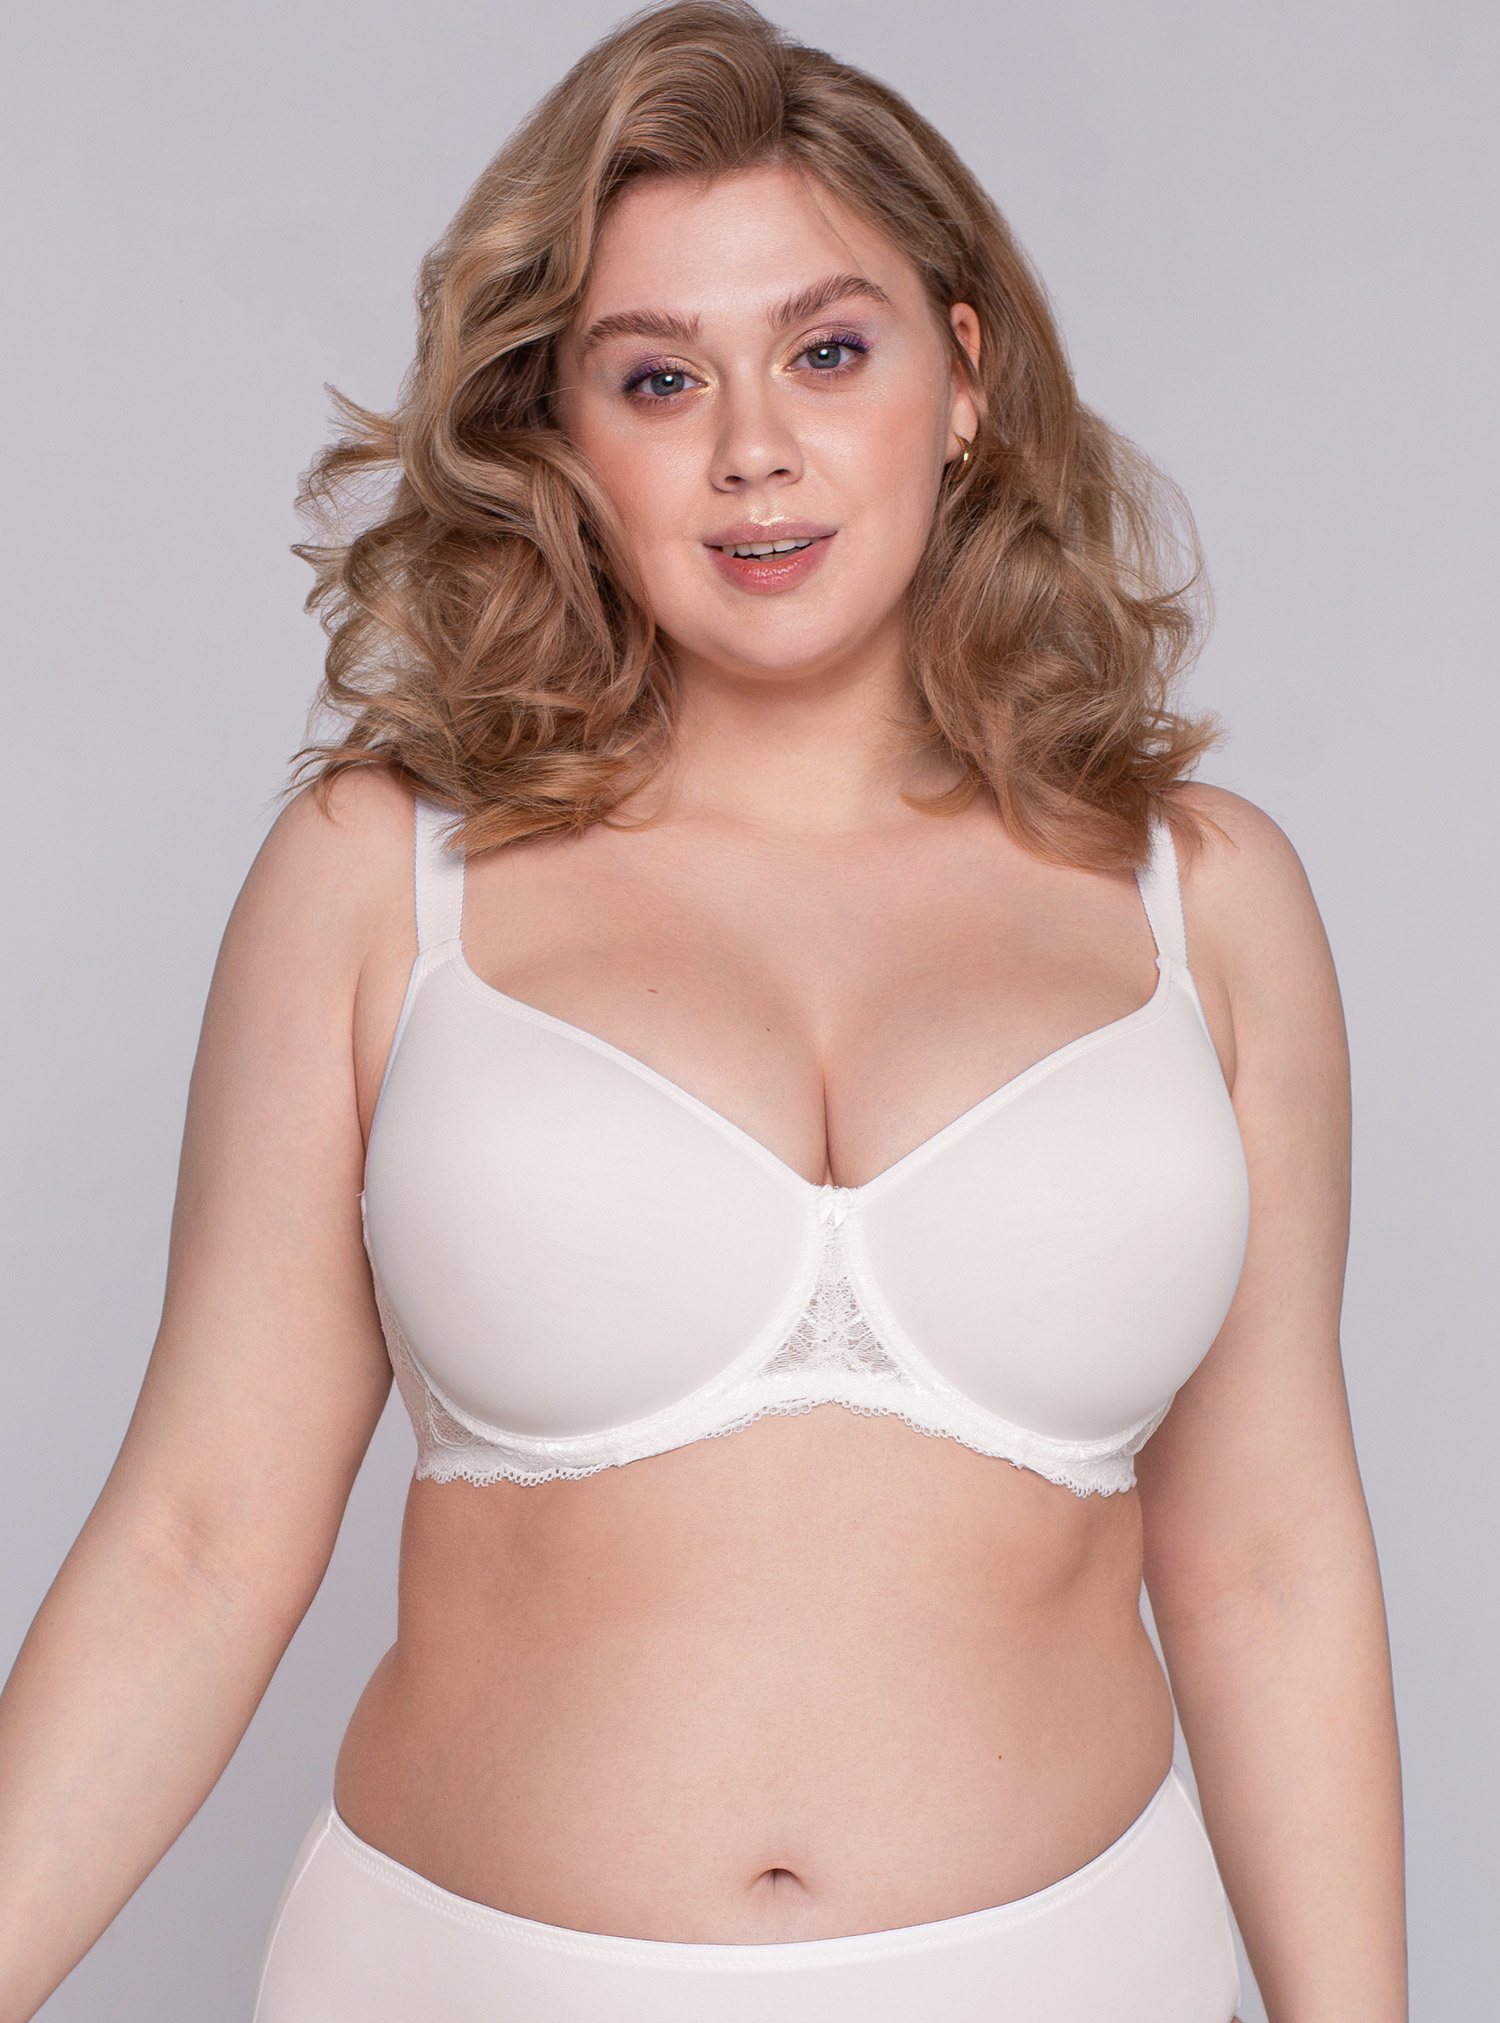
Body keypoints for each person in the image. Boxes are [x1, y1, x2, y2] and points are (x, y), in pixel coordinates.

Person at [0, 4, 1406, 2018]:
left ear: (965, 378)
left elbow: (1269, 1561)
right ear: (562, 436)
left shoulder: (1208, 901)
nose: (754, 446)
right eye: (659, 377)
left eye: (828, 352)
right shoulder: (381, 880)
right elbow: (200, 1543)